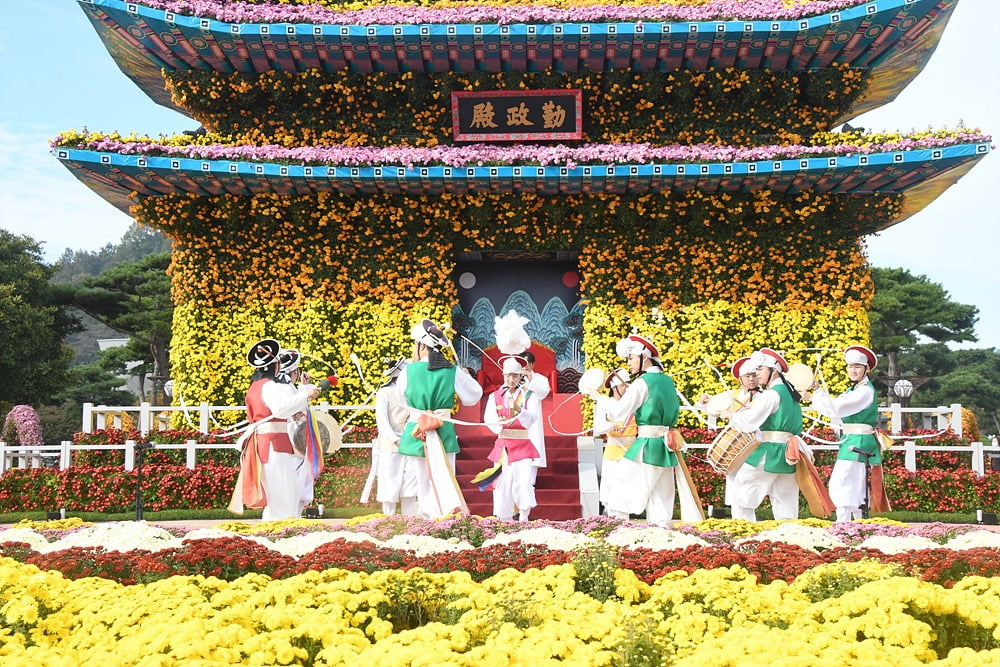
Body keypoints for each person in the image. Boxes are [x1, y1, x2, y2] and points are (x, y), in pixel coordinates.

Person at [589, 334, 683, 525]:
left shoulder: (642, 382)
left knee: (620, 491)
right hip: (665, 445)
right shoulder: (668, 381)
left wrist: (598, 398)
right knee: (661, 497)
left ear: (644, 357)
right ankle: (660, 540)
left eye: (631, 358)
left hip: (647, 444)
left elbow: (619, 412)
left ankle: (619, 534)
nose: (629, 363)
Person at [397, 319, 484, 518]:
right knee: (445, 476)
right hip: (442, 428)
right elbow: (474, 396)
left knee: (420, 479)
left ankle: (425, 516)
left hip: (416, 429)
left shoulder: (407, 371)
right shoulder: (451, 370)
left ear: (421, 346)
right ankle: (443, 517)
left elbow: (401, 398)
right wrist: (463, 376)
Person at [231, 338, 321, 521]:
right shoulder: (269, 386)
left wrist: (299, 401)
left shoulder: (256, 386)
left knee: (278, 493)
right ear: (275, 365)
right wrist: (305, 395)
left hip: (267, 443)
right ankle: (281, 532)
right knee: (283, 493)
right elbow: (280, 408)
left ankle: (276, 531)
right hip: (273, 444)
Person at [806, 345, 889, 521]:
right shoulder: (854, 389)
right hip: (852, 439)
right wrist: (817, 390)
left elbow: (837, 408)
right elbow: (836, 406)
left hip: (858, 441)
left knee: (842, 481)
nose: (853, 370)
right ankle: (853, 523)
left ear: (867, 369)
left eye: (857, 367)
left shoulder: (865, 391)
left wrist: (814, 397)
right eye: (850, 366)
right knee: (853, 483)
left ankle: (845, 523)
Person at [728, 348, 805, 522]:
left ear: (774, 370)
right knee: (785, 499)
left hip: (770, 450)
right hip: (789, 452)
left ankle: (743, 534)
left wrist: (733, 415)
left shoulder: (771, 394)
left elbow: (749, 422)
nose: (757, 374)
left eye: (760, 369)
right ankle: (789, 541)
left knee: (742, 490)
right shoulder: (789, 392)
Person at [698, 356, 763, 510]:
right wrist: (705, 402)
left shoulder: (763, 396)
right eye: (748, 376)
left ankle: (747, 515)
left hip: (753, 443)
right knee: (734, 482)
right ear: (740, 378)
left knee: (748, 484)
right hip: (734, 443)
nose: (752, 379)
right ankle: (737, 517)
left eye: (754, 375)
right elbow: (713, 409)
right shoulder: (732, 395)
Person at [483, 356, 541, 521]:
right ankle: (503, 518)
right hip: (503, 446)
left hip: (522, 445)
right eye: (508, 375)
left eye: (514, 375)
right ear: (503, 376)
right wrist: (499, 423)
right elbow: (489, 418)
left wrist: (519, 411)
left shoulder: (529, 396)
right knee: (502, 482)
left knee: (523, 481)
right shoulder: (495, 396)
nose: (511, 379)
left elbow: (532, 418)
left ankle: (524, 516)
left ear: (520, 376)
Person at [373, 357, 419, 516]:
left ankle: (410, 520)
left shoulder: (412, 392)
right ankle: (388, 520)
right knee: (389, 484)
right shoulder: (384, 392)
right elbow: (382, 420)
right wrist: (395, 439)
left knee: (410, 483)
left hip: (410, 441)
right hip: (390, 443)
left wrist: (409, 437)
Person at [592, 368, 635, 519]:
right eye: (624, 384)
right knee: (610, 487)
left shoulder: (633, 404)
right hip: (612, 452)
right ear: (615, 387)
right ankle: (611, 520)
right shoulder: (605, 404)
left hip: (630, 453)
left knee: (626, 488)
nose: (627, 387)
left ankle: (625, 521)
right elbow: (598, 427)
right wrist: (610, 426)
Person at [518, 349, 550, 484]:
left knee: (534, 444)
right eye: (522, 363)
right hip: (517, 419)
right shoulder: (516, 378)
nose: (524, 366)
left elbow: (543, 393)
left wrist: (530, 381)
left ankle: (531, 482)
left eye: (527, 363)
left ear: (532, 365)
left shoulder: (540, 379)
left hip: (533, 420)